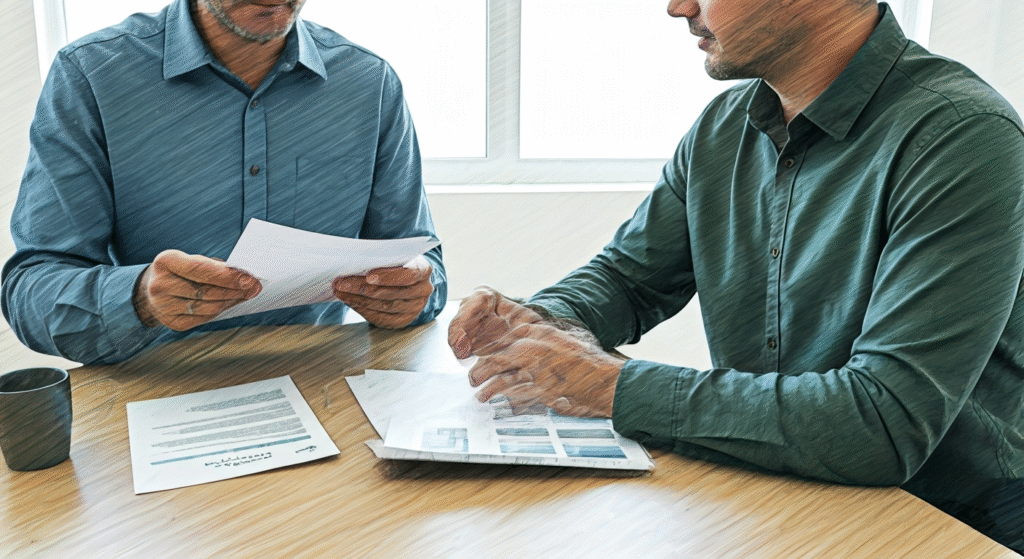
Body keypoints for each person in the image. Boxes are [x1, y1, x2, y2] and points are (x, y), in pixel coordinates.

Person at [448, 0, 1024, 551]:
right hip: (775, 488)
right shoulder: (725, 125)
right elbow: (628, 279)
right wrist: (537, 323)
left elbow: (879, 422)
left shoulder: (965, 135)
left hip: (950, 520)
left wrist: (607, 385)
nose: (677, 8)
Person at [2, 0, 446, 365]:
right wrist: (138, 299)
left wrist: (411, 296)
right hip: (154, 392)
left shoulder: (369, 84)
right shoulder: (90, 76)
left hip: (322, 381)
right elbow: (31, 290)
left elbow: (426, 267)